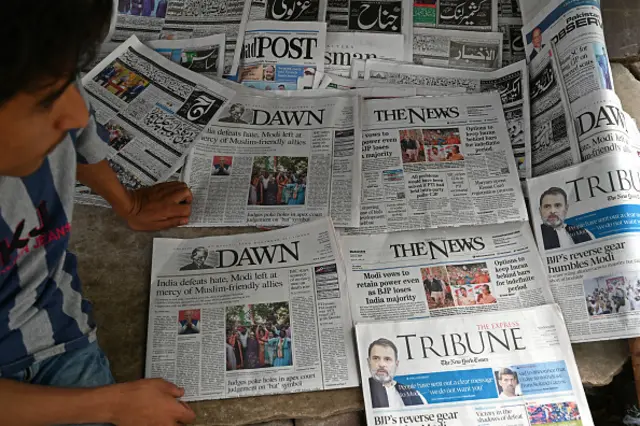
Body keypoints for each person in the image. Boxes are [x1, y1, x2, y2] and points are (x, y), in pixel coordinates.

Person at [0, 2, 197, 424]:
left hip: (53, 331)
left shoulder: (29, 64)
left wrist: (129, 204)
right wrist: (112, 404)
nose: (73, 111)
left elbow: (80, 131)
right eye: (46, 101)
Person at [367, 338, 426, 408]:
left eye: (387, 359)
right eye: (376, 358)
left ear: (396, 364)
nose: (381, 364)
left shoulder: (415, 395)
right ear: (368, 362)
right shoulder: (362, 392)